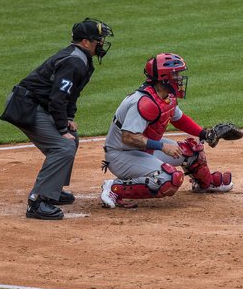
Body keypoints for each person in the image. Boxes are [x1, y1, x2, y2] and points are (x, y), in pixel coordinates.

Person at [0, 18, 114, 220]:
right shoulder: (74, 61)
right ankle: (38, 201)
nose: (102, 43)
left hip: (36, 104)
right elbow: (57, 98)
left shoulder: (81, 59)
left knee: (72, 138)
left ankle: (52, 190)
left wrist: (68, 119)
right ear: (86, 42)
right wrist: (62, 129)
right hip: (25, 106)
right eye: (98, 39)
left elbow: (70, 95)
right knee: (63, 145)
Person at [100, 52, 234, 209]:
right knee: (169, 178)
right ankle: (114, 188)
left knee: (192, 151)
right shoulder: (144, 102)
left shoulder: (166, 96)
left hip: (144, 150)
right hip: (122, 155)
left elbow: (180, 119)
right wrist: (162, 146)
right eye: (176, 74)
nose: (179, 78)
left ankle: (205, 184)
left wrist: (205, 134)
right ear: (165, 77)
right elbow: (128, 137)